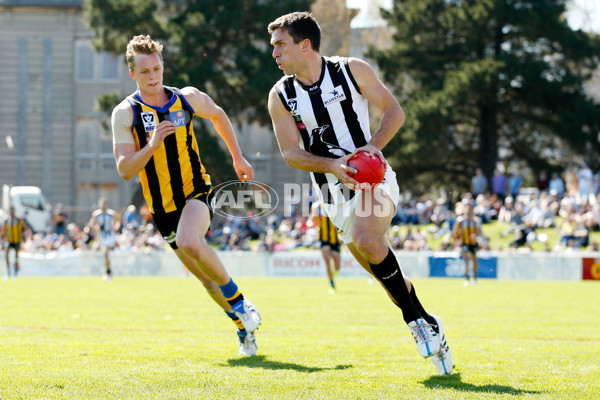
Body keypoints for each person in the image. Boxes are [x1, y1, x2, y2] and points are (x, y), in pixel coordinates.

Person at [266, 12, 452, 375]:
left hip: (373, 181)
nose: (273, 52)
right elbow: (290, 153)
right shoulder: (280, 95)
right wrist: (332, 166)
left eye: (280, 44)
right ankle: (430, 323)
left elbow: (394, 112)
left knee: (369, 238)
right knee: (383, 274)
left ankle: (417, 324)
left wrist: (373, 148)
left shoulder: (352, 70)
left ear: (304, 45)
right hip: (333, 197)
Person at [111, 35, 261, 356]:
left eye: (157, 68)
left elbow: (218, 114)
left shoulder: (186, 99)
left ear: (163, 65)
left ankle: (239, 300)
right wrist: (151, 146)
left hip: (196, 191)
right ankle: (243, 330)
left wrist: (237, 156)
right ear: (132, 74)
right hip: (162, 208)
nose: (153, 77)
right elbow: (124, 169)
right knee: (206, 281)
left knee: (191, 241)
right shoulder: (125, 113)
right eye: (145, 71)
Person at [311, 202, 342, 293]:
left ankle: (333, 272)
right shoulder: (316, 206)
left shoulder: (336, 205)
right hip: (323, 239)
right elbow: (312, 221)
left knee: (337, 266)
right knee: (327, 261)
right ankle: (332, 283)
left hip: (335, 240)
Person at [452, 200, 482, 285]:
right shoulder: (460, 221)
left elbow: (479, 232)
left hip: (473, 243)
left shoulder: (475, 220)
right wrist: (456, 242)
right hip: (464, 243)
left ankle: (474, 278)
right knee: (466, 260)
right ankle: (466, 278)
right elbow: (455, 232)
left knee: (474, 260)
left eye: (471, 208)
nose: (469, 210)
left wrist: (475, 235)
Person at [87, 197, 117, 281]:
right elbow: (90, 224)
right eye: (102, 204)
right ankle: (108, 271)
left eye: (105, 204)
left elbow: (118, 221)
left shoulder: (111, 213)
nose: (103, 205)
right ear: (99, 204)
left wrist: (116, 226)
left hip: (109, 235)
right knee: (104, 254)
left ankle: (108, 272)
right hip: (101, 236)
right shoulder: (96, 214)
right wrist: (96, 227)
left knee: (106, 252)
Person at [0, 206, 25, 279]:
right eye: (11, 210)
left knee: (16, 257)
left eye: (13, 210)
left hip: (17, 240)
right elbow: (3, 231)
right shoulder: (7, 220)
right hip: (9, 240)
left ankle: (15, 272)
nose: (12, 211)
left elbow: (24, 228)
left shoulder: (18, 220)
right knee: (6, 254)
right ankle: (8, 272)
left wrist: (22, 238)